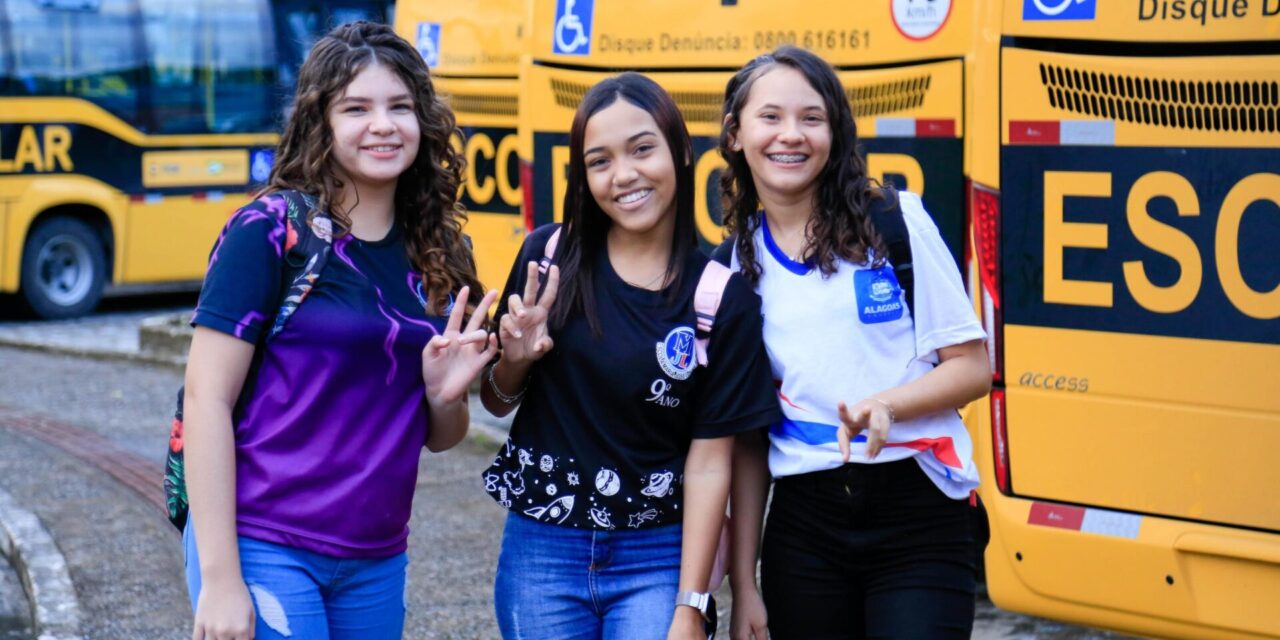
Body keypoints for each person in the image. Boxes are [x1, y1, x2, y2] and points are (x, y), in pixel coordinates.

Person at [181, 21, 497, 640]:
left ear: (424, 121)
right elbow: (205, 398)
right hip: (266, 538)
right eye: (357, 108)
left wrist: (443, 396)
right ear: (320, 122)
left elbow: (441, 437)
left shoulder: (442, 251)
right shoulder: (270, 232)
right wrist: (221, 579)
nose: (383, 125)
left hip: (377, 555)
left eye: (400, 107)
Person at [479, 72, 780, 640]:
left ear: (682, 151)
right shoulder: (547, 259)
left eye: (642, 149)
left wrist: (692, 605)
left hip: (658, 556)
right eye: (599, 161)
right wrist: (513, 359)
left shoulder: (721, 297)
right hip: (542, 550)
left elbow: (712, 460)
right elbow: (496, 402)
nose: (624, 175)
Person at [717, 46, 992, 640]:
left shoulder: (893, 222)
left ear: (834, 132)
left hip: (919, 511)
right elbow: (746, 440)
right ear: (736, 134)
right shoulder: (731, 269)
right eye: (771, 117)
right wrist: (744, 584)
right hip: (804, 524)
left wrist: (888, 404)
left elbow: (973, 368)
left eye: (812, 118)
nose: (791, 135)